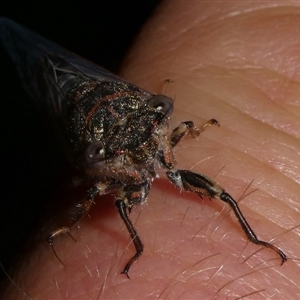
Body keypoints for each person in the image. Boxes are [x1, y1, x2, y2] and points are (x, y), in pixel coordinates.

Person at [2, 1, 299, 299]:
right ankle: (129, 243)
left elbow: (180, 125)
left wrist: (187, 129)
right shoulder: (113, 167)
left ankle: (254, 239)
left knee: (222, 193)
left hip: (114, 109)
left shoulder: (155, 130)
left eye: (160, 109)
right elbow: (105, 196)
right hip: (72, 113)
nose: (142, 147)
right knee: (98, 192)